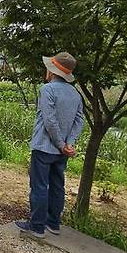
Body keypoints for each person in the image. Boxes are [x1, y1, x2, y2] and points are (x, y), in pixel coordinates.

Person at [15, 52, 84, 239]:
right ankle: (53, 223)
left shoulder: (47, 90)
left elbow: (49, 120)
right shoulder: (75, 94)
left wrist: (61, 144)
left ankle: (36, 226)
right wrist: (69, 144)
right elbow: (79, 121)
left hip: (44, 146)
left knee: (39, 185)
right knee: (57, 185)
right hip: (62, 151)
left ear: (52, 71)